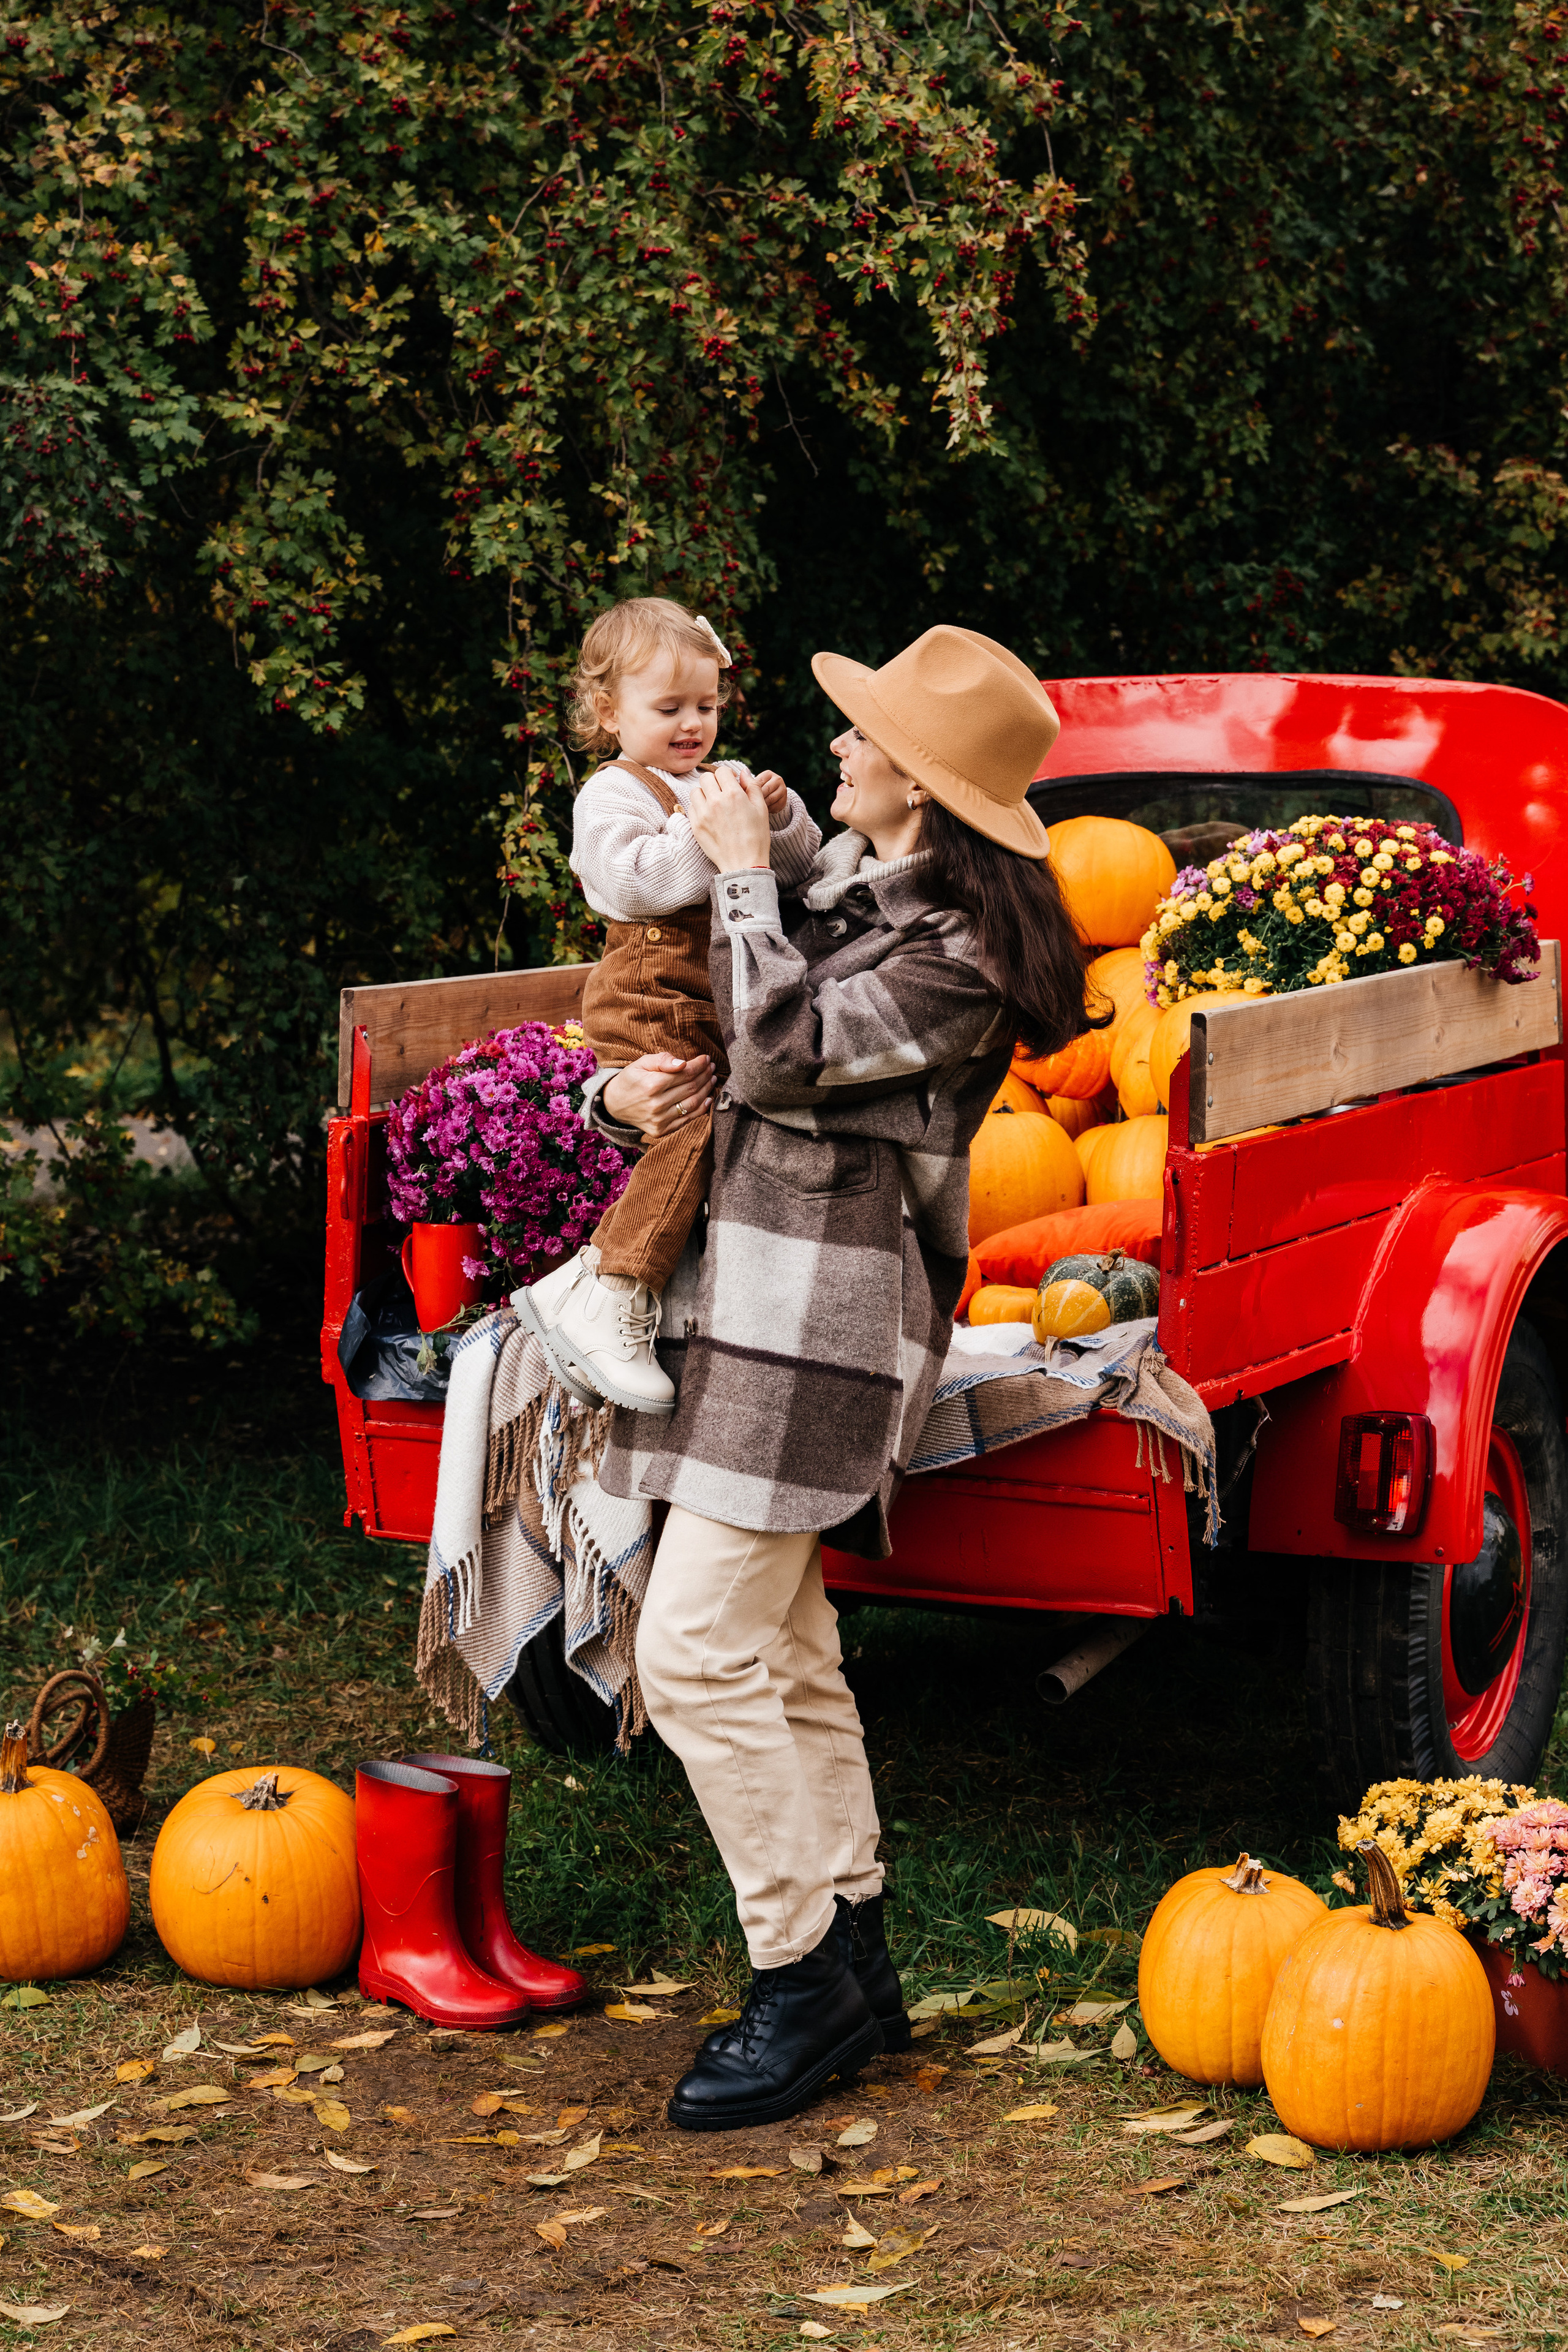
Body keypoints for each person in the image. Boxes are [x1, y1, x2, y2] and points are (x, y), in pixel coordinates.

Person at [586, 625, 1093, 2129]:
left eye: (861, 736)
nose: (834, 748)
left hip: (822, 1328)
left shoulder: (962, 956)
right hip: (751, 1301)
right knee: (787, 1642)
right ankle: (854, 1951)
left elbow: (776, 1057)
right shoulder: (869, 896)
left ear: (922, 784)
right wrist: (618, 1080)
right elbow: (697, 1028)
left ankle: (793, 1974)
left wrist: (739, 875)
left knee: (690, 1653)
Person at [518, 595, 820, 1412]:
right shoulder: (612, 795)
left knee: (722, 1133)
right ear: (609, 711)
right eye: (670, 708)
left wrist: (778, 817)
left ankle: (641, 1297)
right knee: (692, 1128)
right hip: (650, 995)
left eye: (707, 707)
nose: (693, 724)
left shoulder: (713, 784)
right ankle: (612, 1289)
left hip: (710, 999)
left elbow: (798, 871)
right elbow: (636, 882)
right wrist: (715, 827)